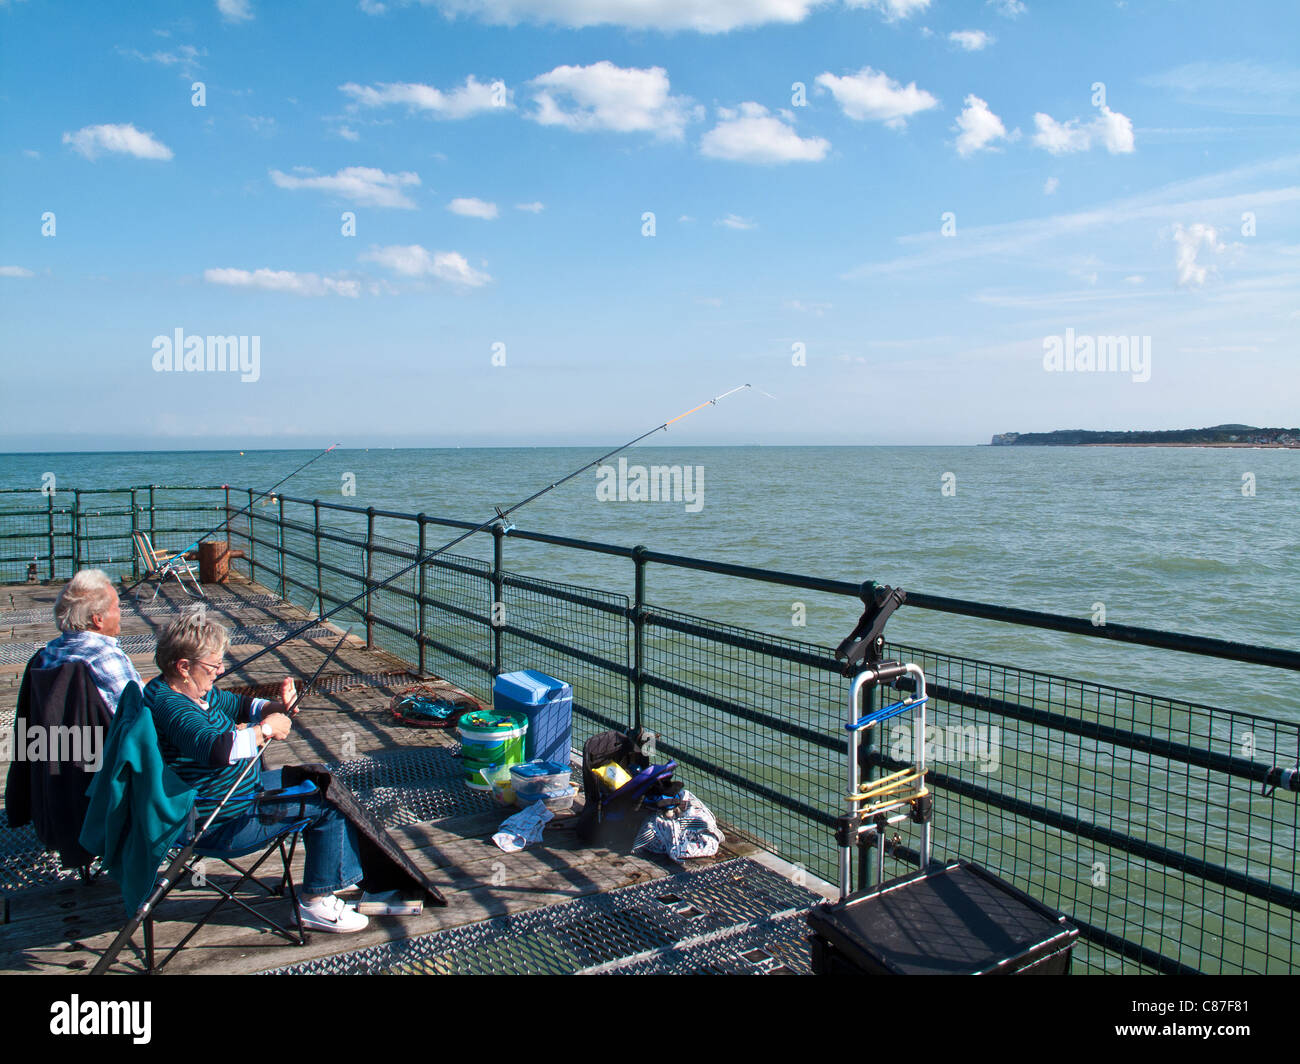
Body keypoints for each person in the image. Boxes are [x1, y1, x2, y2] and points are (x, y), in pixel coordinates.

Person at [144, 607, 369, 933]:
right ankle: (315, 903)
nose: (221, 671)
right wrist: (264, 730)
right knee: (327, 803)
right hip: (220, 821)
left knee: (320, 777)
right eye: (213, 666)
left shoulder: (190, 691)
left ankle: (333, 873)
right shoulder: (173, 706)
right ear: (183, 666)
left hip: (233, 798)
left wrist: (278, 708)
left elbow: (240, 705)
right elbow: (215, 749)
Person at [39, 569, 142, 715]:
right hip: (106, 730)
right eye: (117, 607)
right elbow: (138, 711)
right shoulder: (104, 657)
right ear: (98, 619)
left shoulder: (47, 653)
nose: (121, 612)